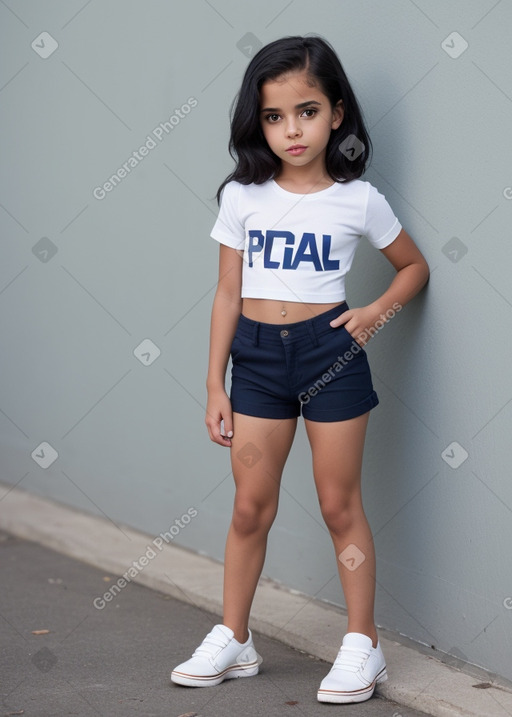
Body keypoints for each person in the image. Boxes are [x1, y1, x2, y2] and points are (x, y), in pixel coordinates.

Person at [171, 35, 429, 704]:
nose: (292, 130)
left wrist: (374, 312)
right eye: (275, 116)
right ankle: (234, 635)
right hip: (255, 360)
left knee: (339, 502)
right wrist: (213, 385)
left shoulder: (357, 199)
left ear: (337, 114)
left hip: (330, 353)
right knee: (250, 504)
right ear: (259, 122)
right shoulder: (242, 197)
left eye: (307, 112)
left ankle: (362, 644)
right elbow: (228, 293)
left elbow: (415, 267)